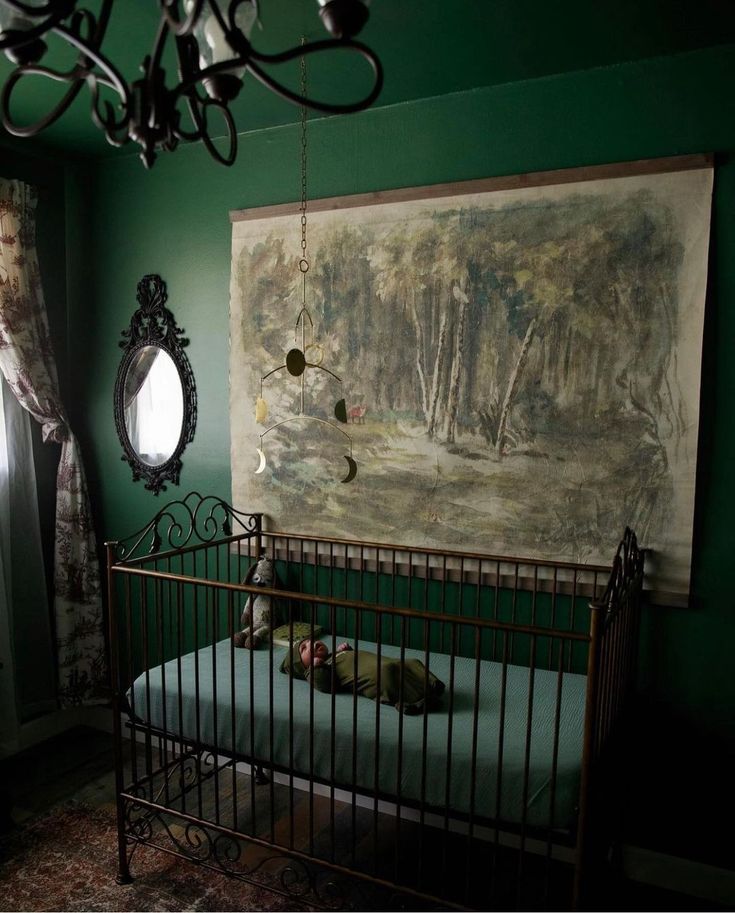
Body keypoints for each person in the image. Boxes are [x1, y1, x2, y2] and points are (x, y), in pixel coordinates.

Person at [281, 637, 445, 714]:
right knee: (387, 674)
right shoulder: (314, 672)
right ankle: (413, 702)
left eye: (311, 640)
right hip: (374, 674)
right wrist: (316, 668)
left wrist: (346, 650)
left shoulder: (334, 656)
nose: (311, 643)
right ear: (301, 666)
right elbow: (326, 685)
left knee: (411, 662)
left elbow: (350, 659)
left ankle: (432, 683)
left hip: (383, 661)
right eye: (303, 648)